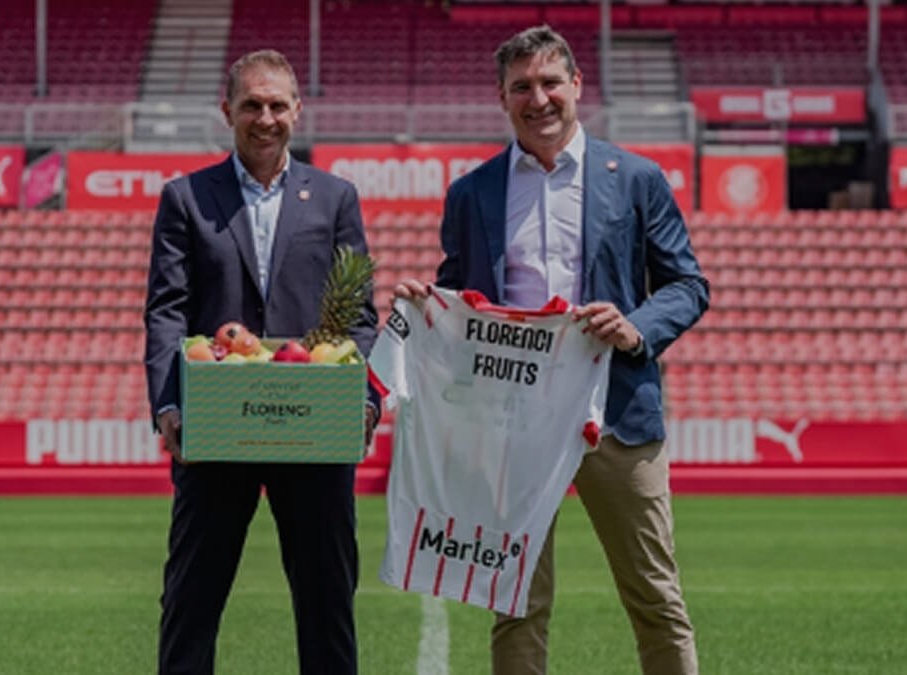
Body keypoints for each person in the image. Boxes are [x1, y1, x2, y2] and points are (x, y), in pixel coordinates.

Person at [393, 25, 710, 675]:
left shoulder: (637, 178)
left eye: (548, 83)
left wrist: (636, 325)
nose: (537, 99)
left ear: (576, 86)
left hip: (616, 408)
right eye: (521, 87)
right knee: (515, 601)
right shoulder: (472, 191)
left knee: (653, 595)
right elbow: (462, 293)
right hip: (511, 422)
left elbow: (687, 284)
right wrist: (431, 304)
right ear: (501, 97)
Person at [144, 49, 379, 675]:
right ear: (228, 111)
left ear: (297, 111)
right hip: (217, 425)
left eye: (277, 104)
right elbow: (167, 312)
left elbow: (360, 318)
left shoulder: (336, 198)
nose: (265, 117)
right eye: (252, 104)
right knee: (191, 600)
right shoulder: (186, 198)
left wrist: (363, 398)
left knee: (328, 603)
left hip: (314, 429)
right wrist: (169, 404)